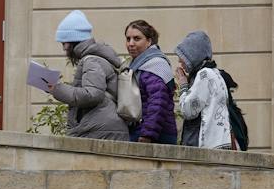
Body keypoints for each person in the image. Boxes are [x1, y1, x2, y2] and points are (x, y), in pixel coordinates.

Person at [47, 11, 129, 141]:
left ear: (73, 41)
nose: (63, 49)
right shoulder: (94, 58)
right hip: (103, 126)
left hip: (101, 129)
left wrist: (57, 89)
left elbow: (92, 94)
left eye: (64, 43)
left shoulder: (92, 61)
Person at [174, 30, 234, 149]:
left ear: (193, 55)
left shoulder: (204, 75)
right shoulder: (216, 73)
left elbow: (188, 110)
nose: (180, 61)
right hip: (218, 144)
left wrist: (183, 85)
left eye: (183, 57)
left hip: (207, 147)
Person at [122, 19, 177, 145]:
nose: (130, 43)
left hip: (156, 136)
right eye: (128, 39)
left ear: (149, 41)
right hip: (142, 131)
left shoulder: (155, 64)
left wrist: (147, 134)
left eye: (137, 38)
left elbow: (158, 102)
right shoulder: (137, 64)